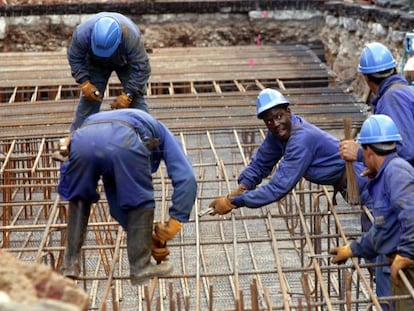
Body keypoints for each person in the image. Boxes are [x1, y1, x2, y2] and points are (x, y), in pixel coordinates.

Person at [58, 109, 197, 285]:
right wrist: (177, 219)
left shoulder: (111, 121)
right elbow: (187, 177)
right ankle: (141, 267)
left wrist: (147, 241)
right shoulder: (162, 133)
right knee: (139, 197)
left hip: (82, 140)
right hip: (124, 138)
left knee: (79, 198)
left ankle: (70, 266)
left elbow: (117, 207)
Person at [208, 88, 372, 215]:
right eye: (269, 121)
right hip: (346, 185)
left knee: (378, 239)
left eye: (279, 116)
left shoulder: (301, 140)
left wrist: (235, 202)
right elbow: (260, 163)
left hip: (362, 182)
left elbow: (278, 187)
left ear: (289, 112)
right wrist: (239, 189)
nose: (275, 124)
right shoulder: (279, 133)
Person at [339, 42, 414, 308]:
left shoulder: (392, 98)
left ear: (368, 78)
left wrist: (360, 155)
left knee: (392, 292)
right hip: (394, 222)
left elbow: (402, 150)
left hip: (400, 231)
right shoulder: (399, 92)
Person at [330, 114, 414, 311]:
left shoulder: (396, 172)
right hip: (398, 262)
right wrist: (354, 249)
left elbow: (411, 213)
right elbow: (384, 229)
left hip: (407, 265)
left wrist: (408, 252)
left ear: (368, 151)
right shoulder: (388, 173)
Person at [53, 12, 151, 161]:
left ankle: (148, 141)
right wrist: (84, 82)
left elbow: (142, 67)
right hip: (95, 62)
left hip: (124, 61)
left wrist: (128, 94)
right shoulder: (82, 34)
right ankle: (74, 142)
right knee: (89, 100)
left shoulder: (129, 36)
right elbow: (75, 58)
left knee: (136, 100)